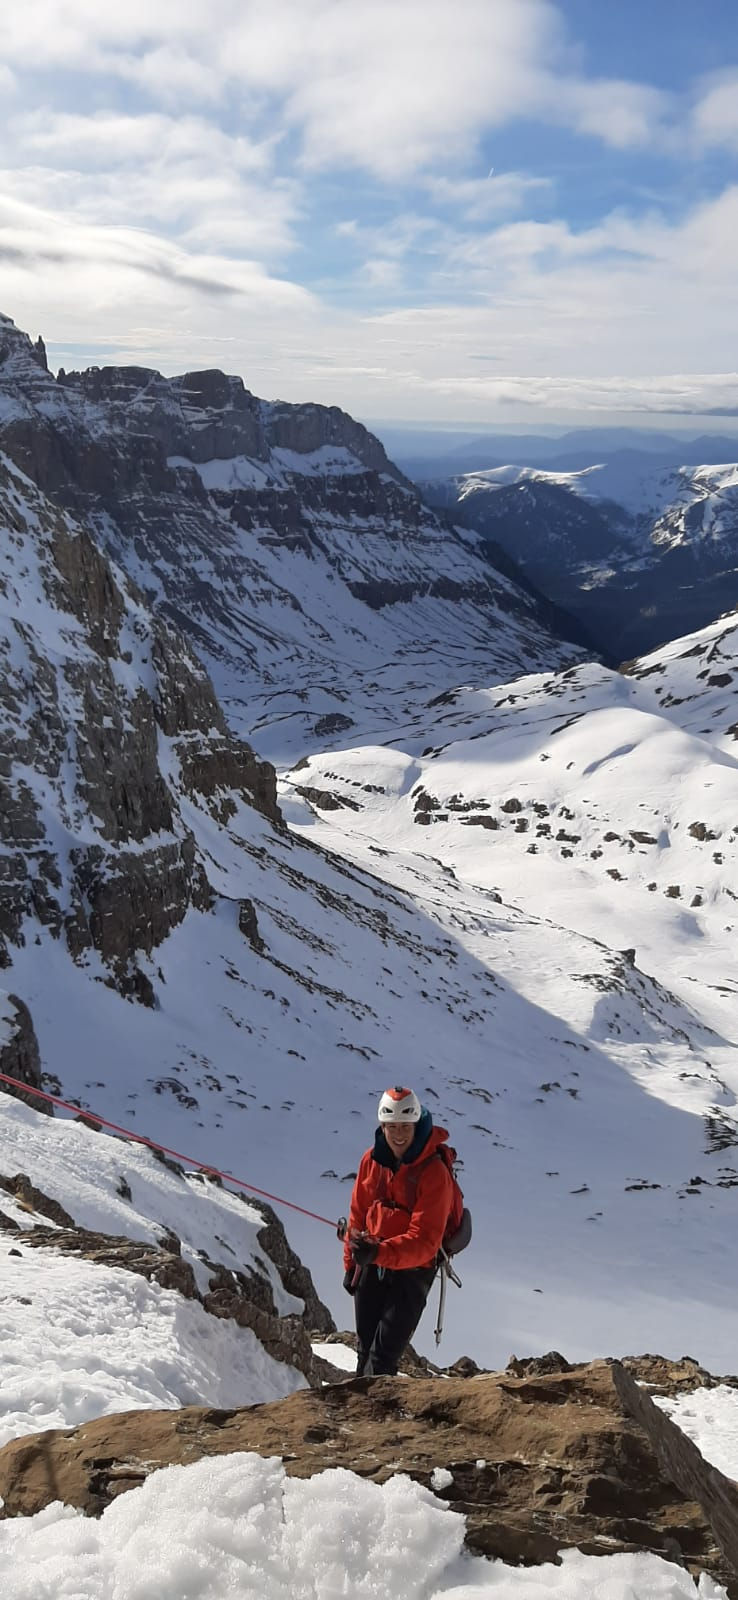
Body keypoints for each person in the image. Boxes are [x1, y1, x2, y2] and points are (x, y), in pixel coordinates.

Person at [343, 1085, 454, 1376]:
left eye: (405, 1126)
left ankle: (374, 1405)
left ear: (416, 1124)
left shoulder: (434, 1172)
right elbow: (358, 1215)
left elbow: (425, 1241)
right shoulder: (372, 1160)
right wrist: (351, 1263)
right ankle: (363, 1405)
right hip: (372, 1262)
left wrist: (376, 1253)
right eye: (392, 1126)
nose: (399, 1134)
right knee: (365, 1351)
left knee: (382, 1359)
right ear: (382, 1126)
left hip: (413, 1272)